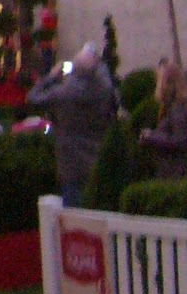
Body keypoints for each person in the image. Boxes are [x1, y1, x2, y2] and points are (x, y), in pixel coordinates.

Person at [27, 42, 118, 207]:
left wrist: (51, 77)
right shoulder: (103, 92)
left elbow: (33, 98)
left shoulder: (63, 93)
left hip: (69, 158)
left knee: (72, 210)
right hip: (96, 153)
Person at [139, 62, 187, 179]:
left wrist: (151, 136)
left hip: (175, 172)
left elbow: (180, 140)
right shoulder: (169, 107)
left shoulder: (177, 109)